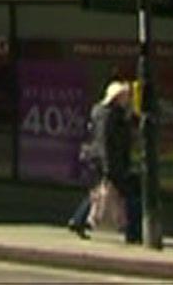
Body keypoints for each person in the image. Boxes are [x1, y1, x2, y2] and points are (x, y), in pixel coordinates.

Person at [68, 79, 141, 243]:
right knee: (130, 196)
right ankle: (133, 231)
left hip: (109, 161)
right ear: (116, 97)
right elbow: (105, 143)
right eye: (125, 96)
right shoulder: (108, 116)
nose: (128, 99)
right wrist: (109, 167)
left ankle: (78, 220)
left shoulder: (116, 113)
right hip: (109, 162)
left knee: (99, 193)